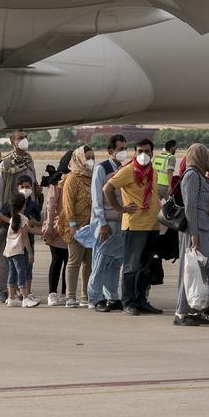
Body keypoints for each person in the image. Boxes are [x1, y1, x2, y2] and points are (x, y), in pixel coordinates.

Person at [173, 144, 209, 325]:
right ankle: (181, 313)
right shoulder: (190, 176)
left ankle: (199, 308)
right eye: (207, 156)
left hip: (208, 230)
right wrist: (194, 234)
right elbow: (190, 207)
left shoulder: (202, 176)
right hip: (196, 231)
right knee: (190, 270)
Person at [106, 138, 163, 316]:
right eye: (139, 151)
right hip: (134, 226)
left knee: (145, 266)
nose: (143, 155)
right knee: (131, 266)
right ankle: (128, 302)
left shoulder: (151, 171)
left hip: (152, 225)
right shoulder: (129, 170)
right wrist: (120, 208)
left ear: (152, 154)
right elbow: (107, 188)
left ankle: (140, 300)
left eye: (146, 151)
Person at [0, 130, 35, 299]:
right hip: (8, 215)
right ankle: (1, 289)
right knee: (4, 254)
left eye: (25, 137)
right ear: (12, 142)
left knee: (23, 255)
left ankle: (20, 290)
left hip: (25, 214)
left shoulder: (29, 160)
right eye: (20, 138)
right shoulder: (6, 164)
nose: (24, 140)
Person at [89, 133, 129, 312]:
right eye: (120, 149)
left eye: (125, 149)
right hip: (105, 223)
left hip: (120, 222)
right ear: (110, 151)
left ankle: (111, 297)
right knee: (100, 260)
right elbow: (97, 198)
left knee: (115, 262)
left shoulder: (124, 168)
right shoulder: (102, 169)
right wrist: (102, 222)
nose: (123, 152)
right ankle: (95, 298)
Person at [59, 145, 96, 307]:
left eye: (92, 157)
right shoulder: (72, 178)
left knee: (89, 262)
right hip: (75, 225)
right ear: (79, 158)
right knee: (74, 260)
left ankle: (85, 296)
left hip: (91, 226)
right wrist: (73, 225)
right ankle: (70, 296)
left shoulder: (93, 176)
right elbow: (68, 205)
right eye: (87, 157)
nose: (91, 160)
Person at [41, 150, 70, 306]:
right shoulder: (57, 180)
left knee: (69, 262)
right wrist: (50, 224)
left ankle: (66, 293)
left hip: (71, 227)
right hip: (57, 226)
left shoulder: (79, 178)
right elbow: (51, 204)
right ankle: (52, 293)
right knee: (57, 259)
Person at [3, 188, 37, 307]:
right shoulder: (23, 219)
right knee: (21, 274)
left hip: (9, 251)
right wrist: (30, 252)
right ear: (24, 205)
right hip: (18, 251)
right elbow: (25, 237)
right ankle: (26, 298)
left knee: (12, 274)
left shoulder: (13, 218)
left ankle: (11, 298)